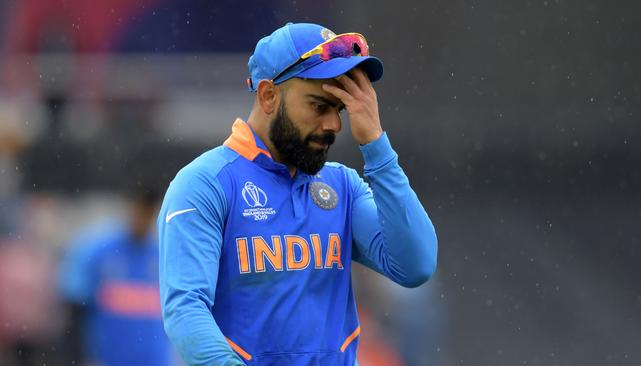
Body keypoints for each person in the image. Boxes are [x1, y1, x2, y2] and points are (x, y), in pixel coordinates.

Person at [158, 22, 438, 366]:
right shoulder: (205, 184)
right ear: (268, 96)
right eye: (320, 106)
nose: (335, 125)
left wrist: (377, 148)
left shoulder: (342, 187)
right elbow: (185, 310)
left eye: (340, 110)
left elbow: (416, 265)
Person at [58, 189, 173, 366]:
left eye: (149, 213)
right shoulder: (96, 250)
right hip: (106, 357)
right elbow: (74, 304)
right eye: (140, 210)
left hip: (153, 359)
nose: (143, 219)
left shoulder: (163, 255)